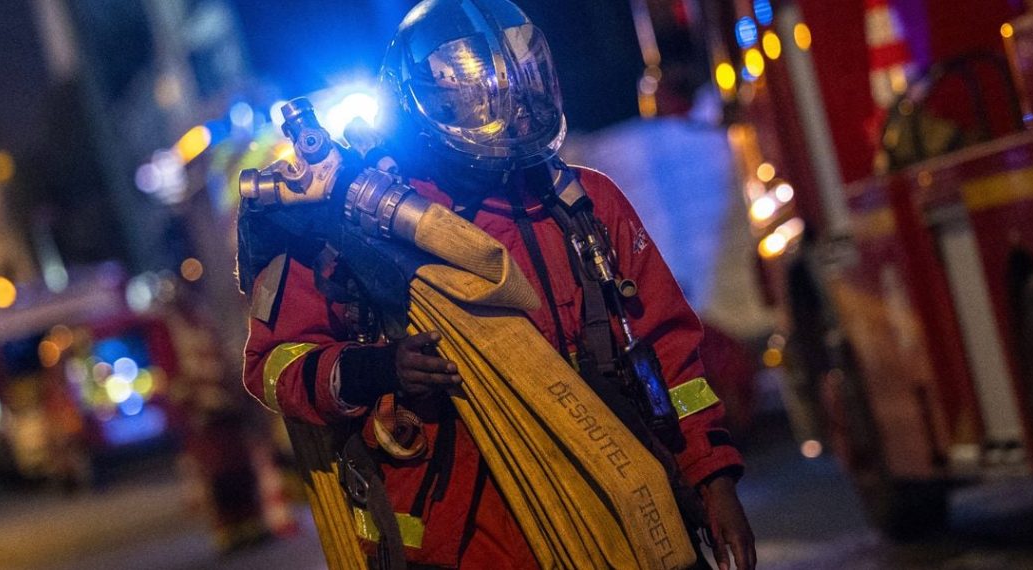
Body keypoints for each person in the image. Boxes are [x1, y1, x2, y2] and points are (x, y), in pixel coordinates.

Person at [240, 1, 755, 568]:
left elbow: (670, 351)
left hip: (619, 507)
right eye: (476, 97)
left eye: (520, 92)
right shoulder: (353, 230)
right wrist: (380, 370)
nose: (509, 116)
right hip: (463, 536)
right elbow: (274, 363)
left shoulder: (584, 204)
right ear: (422, 102)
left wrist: (714, 480)